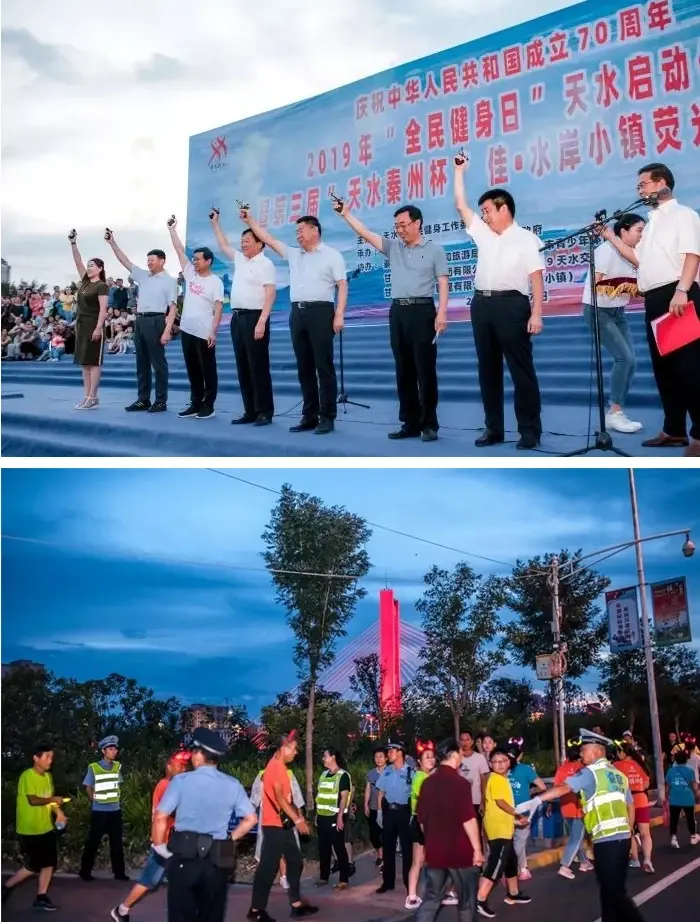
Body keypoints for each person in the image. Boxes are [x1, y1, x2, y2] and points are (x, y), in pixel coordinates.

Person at [602, 162, 700, 457]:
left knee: (690, 367)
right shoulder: (653, 221)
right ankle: (673, 430)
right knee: (665, 369)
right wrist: (610, 237)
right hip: (655, 298)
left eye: (643, 184)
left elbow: (693, 255)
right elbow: (638, 259)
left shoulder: (683, 215)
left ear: (661, 183)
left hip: (678, 294)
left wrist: (682, 291)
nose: (639, 190)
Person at [334, 200, 448, 442]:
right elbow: (364, 233)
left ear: (417, 223)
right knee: (403, 371)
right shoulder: (393, 247)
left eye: (404, 224)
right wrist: (346, 214)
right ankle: (410, 423)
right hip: (398, 313)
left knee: (425, 371)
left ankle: (429, 425)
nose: (400, 229)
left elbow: (443, 282)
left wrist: (442, 313)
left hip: (423, 311)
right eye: (397, 226)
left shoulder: (434, 250)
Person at [454, 152, 544, 451]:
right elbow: (460, 205)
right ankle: (493, 429)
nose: (484, 216)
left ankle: (529, 430)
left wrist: (537, 314)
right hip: (482, 306)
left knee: (521, 371)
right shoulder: (484, 234)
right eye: (482, 211)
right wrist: (459, 172)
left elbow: (536, 277)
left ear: (503, 208)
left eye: (488, 210)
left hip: (512, 306)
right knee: (487, 370)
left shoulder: (526, 238)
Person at [516, 728, 644, 922]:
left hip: (606, 842)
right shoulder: (617, 774)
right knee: (610, 890)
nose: (581, 753)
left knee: (614, 891)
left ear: (598, 751)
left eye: (585, 749)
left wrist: (537, 800)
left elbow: (562, 788)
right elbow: (630, 805)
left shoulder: (591, 772)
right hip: (621, 839)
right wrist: (629, 831)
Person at [241, 208, 347, 435]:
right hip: (297, 314)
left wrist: (339, 314)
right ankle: (309, 415)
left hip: (321, 312)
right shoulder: (293, 254)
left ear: (314, 230)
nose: (297, 235)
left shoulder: (332, 255)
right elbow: (268, 238)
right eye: (296, 231)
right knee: (304, 367)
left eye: (301, 230)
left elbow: (342, 285)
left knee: (324, 367)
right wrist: (250, 218)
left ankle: (327, 416)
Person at [152, 728, 257, 922]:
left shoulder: (180, 781)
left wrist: (159, 847)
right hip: (216, 860)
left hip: (184, 857)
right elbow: (251, 819)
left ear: (200, 755)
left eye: (193, 752)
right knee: (211, 916)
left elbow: (160, 817)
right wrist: (229, 839)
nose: (191, 757)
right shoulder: (232, 784)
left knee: (181, 915)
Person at [210, 209, 277, 426]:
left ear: (260, 243)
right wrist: (215, 224)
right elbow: (223, 246)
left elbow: (270, 294)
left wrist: (262, 321)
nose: (243, 244)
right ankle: (249, 410)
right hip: (237, 319)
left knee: (258, 366)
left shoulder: (266, 264)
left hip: (255, 317)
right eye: (242, 240)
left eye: (248, 240)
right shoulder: (240, 259)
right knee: (243, 366)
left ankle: (264, 411)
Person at [110, 750, 191, 921]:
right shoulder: (165, 785)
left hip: (173, 842)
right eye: (179, 766)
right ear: (169, 767)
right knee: (149, 880)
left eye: (185, 766)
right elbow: (170, 812)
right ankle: (121, 910)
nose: (183, 769)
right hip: (164, 843)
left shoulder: (173, 786)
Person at [584, 214, 646, 433]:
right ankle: (615, 412)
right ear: (623, 231)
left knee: (632, 362)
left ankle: (616, 412)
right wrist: (623, 284)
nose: (642, 235)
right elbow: (597, 283)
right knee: (624, 357)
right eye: (639, 230)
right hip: (598, 310)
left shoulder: (635, 254)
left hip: (618, 312)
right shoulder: (606, 251)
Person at [106, 231, 178, 414]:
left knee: (158, 363)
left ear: (162, 261)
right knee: (142, 362)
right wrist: (112, 242)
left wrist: (167, 330)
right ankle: (143, 399)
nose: (148, 263)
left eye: (152, 260)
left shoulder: (170, 281)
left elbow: (173, 308)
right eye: (147, 260)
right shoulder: (144, 276)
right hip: (141, 320)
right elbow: (125, 261)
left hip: (156, 321)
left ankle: (161, 400)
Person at [248, 732, 318, 921]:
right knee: (268, 868)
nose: (295, 753)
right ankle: (256, 911)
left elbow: (287, 798)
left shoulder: (280, 767)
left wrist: (296, 816)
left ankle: (296, 904)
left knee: (295, 860)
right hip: (274, 826)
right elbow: (279, 798)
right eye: (293, 749)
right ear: (282, 749)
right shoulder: (275, 768)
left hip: (282, 826)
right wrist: (298, 820)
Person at [414, 738, 483, 922]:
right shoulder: (460, 783)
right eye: (460, 753)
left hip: (436, 853)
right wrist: (477, 849)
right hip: (460, 853)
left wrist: (432, 840)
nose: (462, 757)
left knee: (431, 900)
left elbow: (421, 820)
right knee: (467, 903)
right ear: (453, 755)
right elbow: (468, 818)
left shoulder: (427, 783)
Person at [167, 217, 224, 419]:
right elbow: (179, 251)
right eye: (194, 259)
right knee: (192, 369)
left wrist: (213, 332)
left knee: (207, 369)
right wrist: (172, 230)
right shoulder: (191, 275)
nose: (194, 261)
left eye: (198, 259)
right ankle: (195, 402)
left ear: (208, 260)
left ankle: (209, 404)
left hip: (204, 332)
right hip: (187, 330)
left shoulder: (216, 282)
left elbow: (218, 309)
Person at [2, 743, 67, 912]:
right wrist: (54, 798)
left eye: (51, 757)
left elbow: (50, 800)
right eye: (47, 757)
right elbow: (33, 800)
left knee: (49, 863)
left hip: (45, 827)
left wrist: (59, 813)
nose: (50, 760)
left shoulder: (47, 777)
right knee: (33, 865)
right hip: (29, 830)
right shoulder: (27, 776)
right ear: (36, 758)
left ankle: (41, 897)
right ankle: (6, 887)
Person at [476, 748, 531, 918]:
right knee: (496, 864)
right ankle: (480, 899)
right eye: (496, 761)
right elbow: (500, 803)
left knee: (510, 861)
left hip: (502, 827)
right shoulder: (498, 780)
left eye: (503, 760)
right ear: (491, 765)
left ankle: (513, 892)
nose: (500, 764)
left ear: (509, 762)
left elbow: (496, 807)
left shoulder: (500, 779)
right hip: (498, 830)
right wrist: (518, 814)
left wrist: (514, 821)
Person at [67, 229, 109, 410]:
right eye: (89, 265)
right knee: (84, 362)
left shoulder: (101, 286)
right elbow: (77, 261)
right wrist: (73, 243)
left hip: (94, 324)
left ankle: (93, 396)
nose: (89, 267)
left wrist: (99, 328)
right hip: (82, 325)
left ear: (100, 269)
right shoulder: (84, 283)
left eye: (93, 265)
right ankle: (87, 396)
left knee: (93, 362)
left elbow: (103, 309)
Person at [80, 735, 128, 882]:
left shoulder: (117, 766)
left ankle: (119, 873)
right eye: (111, 749)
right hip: (99, 811)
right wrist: (94, 801)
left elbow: (117, 784)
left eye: (115, 749)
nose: (114, 752)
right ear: (103, 751)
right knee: (93, 842)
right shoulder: (93, 767)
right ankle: (85, 871)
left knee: (117, 843)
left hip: (114, 810)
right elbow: (88, 787)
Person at [250, 763, 305, 889]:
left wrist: (300, 816)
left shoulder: (288, 774)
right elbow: (255, 798)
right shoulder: (262, 775)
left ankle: (284, 877)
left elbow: (296, 797)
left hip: (285, 818)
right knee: (265, 849)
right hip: (269, 818)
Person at [376, 739, 414, 894]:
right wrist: (379, 812)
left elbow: (416, 794)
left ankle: (408, 883)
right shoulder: (387, 771)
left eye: (391, 751)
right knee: (388, 848)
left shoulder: (412, 772)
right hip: (389, 813)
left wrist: (415, 814)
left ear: (400, 753)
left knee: (407, 850)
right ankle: (388, 882)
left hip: (405, 813)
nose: (389, 754)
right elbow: (380, 792)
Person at [553, 739, 593, 879]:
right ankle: (565, 866)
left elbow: (556, 787)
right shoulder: (581, 769)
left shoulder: (562, 768)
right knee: (576, 838)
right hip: (578, 808)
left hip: (565, 807)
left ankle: (583, 862)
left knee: (576, 836)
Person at [314, 747, 352, 890]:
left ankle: (344, 879)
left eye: (325, 756)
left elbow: (344, 798)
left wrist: (340, 817)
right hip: (323, 817)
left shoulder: (342, 776)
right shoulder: (323, 775)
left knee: (339, 848)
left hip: (335, 817)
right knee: (323, 848)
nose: (323, 759)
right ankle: (324, 877)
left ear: (333, 758)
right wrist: (317, 815)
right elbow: (320, 796)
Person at [507, 744, 546, 882]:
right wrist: (531, 791)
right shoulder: (526, 769)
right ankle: (520, 869)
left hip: (505, 810)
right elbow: (542, 787)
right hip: (523, 810)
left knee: (507, 841)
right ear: (520, 755)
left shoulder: (501, 770)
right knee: (520, 841)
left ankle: (516, 869)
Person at [405, 742, 437, 909]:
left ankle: (412, 896)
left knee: (420, 861)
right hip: (422, 823)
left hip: (420, 821)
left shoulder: (425, 776)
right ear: (419, 761)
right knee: (425, 860)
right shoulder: (422, 777)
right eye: (427, 757)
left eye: (432, 757)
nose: (431, 760)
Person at [613, 742, 653, 872]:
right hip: (641, 799)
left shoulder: (616, 766)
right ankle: (647, 859)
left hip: (626, 802)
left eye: (618, 751)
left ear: (624, 752)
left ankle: (635, 860)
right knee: (645, 833)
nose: (617, 754)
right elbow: (646, 784)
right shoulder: (639, 764)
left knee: (629, 832)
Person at [665, 750, 700, 848]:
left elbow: (667, 787)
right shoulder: (690, 771)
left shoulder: (670, 771)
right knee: (690, 819)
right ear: (686, 760)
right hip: (687, 799)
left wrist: (666, 796)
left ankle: (673, 839)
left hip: (674, 799)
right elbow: (694, 787)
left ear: (675, 759)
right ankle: (693, 837)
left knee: (674, 819)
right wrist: (697, 795)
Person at [459, 731, 490, 823]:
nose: (465, 742)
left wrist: (482, 802)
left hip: (476, 801)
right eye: (462, 740)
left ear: (472, 741)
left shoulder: (480, 758)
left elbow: (484, 780)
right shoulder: (456, 758)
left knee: (476, 829)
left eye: (467, 739)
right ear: (459, 742)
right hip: (460, 802)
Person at [364, 746, 388, 868]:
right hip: (373, 807)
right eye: (376, 756)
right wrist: (365, 804)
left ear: (386, 758)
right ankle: (380, 852)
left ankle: (384, 857)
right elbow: (368, 789)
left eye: (381, 756)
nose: (378, 759)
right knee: (374, 834)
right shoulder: (371, 773)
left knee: (386, 833)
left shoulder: (390, 772)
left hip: (387, 808)